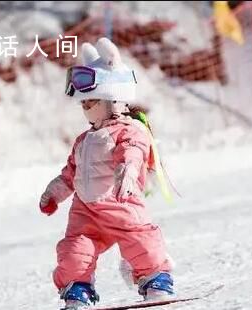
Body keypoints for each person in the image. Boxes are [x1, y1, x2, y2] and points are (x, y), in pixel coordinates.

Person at [39, 37, 174, 310]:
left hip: (120, 203)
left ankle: (155, 281)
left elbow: (134, 151)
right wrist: (54, 191)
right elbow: (71, 172)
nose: (85, 110)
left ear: (113, 99)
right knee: (74, 250)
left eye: (90, 103)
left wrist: (128, 169)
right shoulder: (84, 139)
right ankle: (77, 290)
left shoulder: (130, 130)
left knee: (141, 240)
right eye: (83, 105)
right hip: (86, 211)